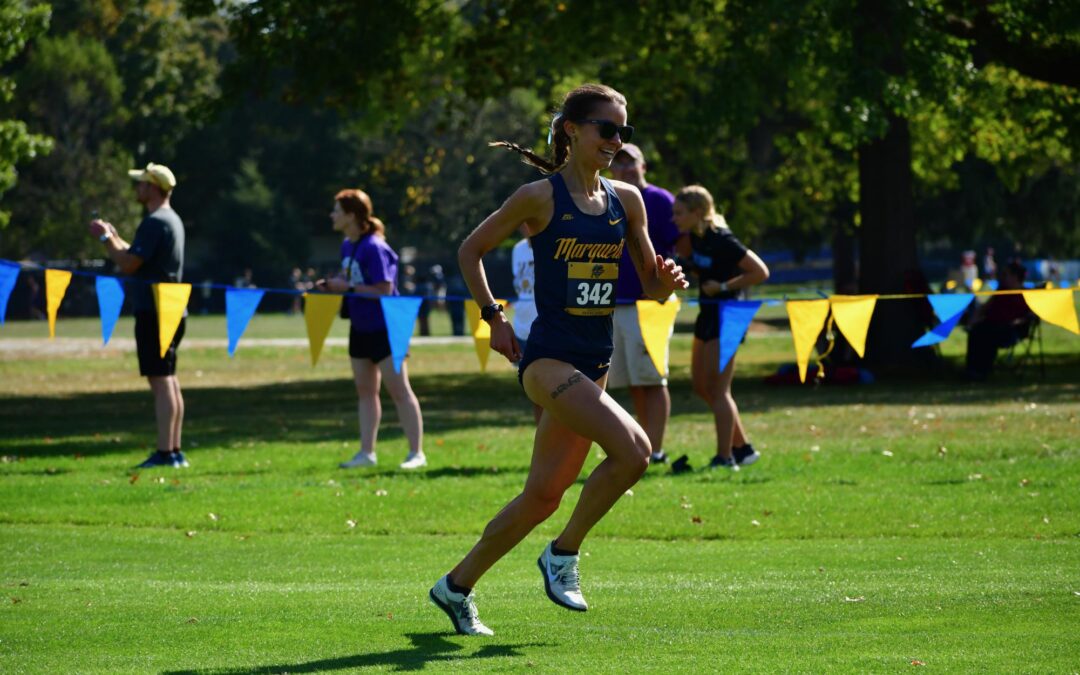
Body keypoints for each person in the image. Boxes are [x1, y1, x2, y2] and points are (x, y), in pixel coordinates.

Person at [429, 83, 687, 636]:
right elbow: (470, 250)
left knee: (542, 496)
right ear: (573, 129)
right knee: (636, 451)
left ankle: (455, 586)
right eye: (606, 129)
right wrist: (493, 317)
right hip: (547, 362)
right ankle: (563, 555)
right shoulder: (539, 197)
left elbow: (651, 289)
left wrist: (667, 284)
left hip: (596, 362)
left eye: (624, 132)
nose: (616, 141)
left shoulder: (628, 200)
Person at [317, 189, 426, 470]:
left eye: (337, 211)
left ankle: (416, 453)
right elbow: (352, 278)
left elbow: (385, 289)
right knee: (365, 391)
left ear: (351, 215)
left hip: (386, 327)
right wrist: (334, 284)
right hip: (360, 326)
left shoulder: (374, 247)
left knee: (400, 390)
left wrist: (348, 287)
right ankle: (367, 453)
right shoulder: (347, 245)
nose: (332, 215)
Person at [88, 162, 188, 469]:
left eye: (141, 184)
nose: (137, 189)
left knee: (160, 380)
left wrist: (105, 240)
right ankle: (174, 450)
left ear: (153, 188)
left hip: (155, 310)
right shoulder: (170, 219)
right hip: (170, 306)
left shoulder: (155, 222)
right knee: (168, 378)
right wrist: (116, 238)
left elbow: (129, 265)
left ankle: (165, 453)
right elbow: (140, 257)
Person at [673, 185, 769, 470]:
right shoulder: (696, 238)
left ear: (697, 212)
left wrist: (725, 286)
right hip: (708, 313)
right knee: (701, 386)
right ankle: (743, 448)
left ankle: (725, 457)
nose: (674, 219)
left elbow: (760, 271)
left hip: (729, 315)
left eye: (679, 213)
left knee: (718, 389)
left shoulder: (722, 238)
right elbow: (706, 268)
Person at [607, 143, 688, 466]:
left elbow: (683, 243)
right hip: (615, 303)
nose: (626, 169)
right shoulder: (606, 198)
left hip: (649, 304)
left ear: (644, 166)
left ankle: (654, 449)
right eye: (619, 163)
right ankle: (645, 444)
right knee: (631, 381)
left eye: (632, 163)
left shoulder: (659, 199)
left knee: (652, 379)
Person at [965, 260, 1032, 380]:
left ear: (1015, 276)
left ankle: (983, 370)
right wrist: (973, 320)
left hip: (1011, 330)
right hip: (991, 325)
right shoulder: (1000, 291)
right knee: (976, 331)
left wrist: (1017, 322)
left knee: (988, 334)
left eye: (1006, 274)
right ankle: (973, 370)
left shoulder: (1027, 295)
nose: (1002, 277)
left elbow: (1030, 316)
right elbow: (984, 307)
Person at [510, 224, 541, 423]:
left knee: (553, 390)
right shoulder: (518, 249)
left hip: (546, 327)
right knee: (534, 391)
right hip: (522, 327)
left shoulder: (553, 243)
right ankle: (543, 440)